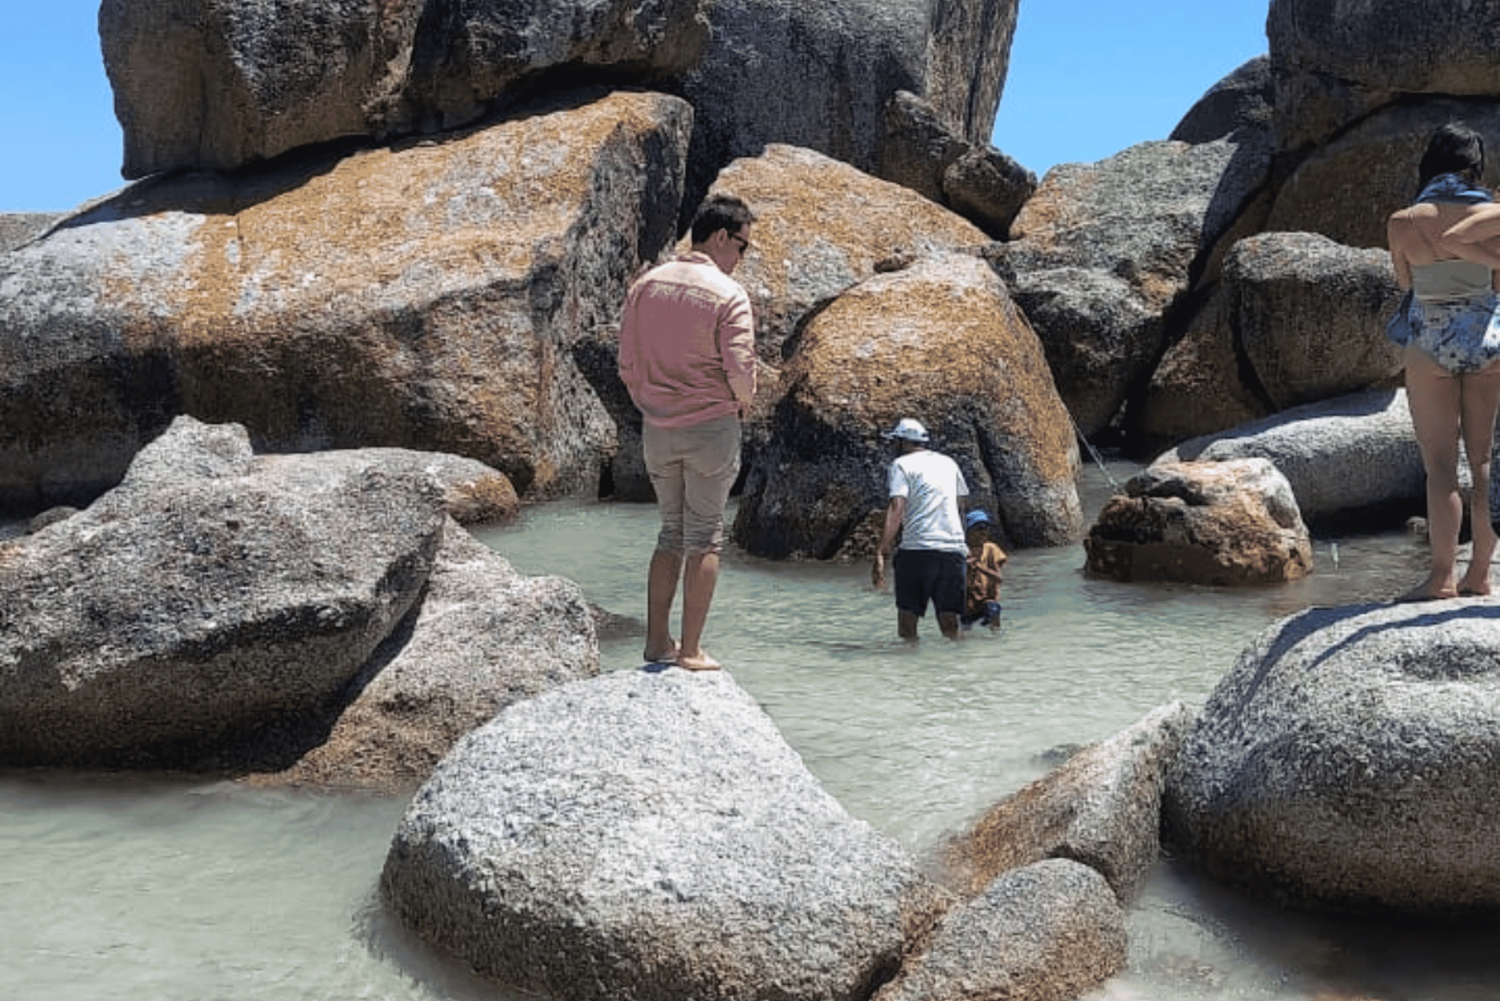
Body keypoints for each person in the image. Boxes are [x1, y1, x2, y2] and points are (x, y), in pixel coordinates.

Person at [618, 194, 757, 669]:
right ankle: (692, 650)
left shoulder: (645, 286)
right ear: (721, 237)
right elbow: (740, 370)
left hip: (657, 428)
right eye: (742, 247)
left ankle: (657, 643)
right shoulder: (727, 294)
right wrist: (743, 401)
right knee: (705, 537)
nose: (741, 259)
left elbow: (628, 363)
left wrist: (651, 403)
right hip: (711, 426)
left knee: (669, 534)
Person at [1387, 122, 1500, 600]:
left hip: (1429, 342)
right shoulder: (1492, 215)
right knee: (1484, 463)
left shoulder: (1403, 222)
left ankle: (1441, 578)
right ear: (1476, 166)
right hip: (1489, 342)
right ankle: (1480, 574)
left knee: (1439, 467)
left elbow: (1404, 284)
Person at [871, 417, 969, 639]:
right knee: (951, 626)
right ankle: (959, 672)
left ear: (903, 443)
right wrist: (963, 545)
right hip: (953, 552)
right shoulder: (949, 463)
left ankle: (910, 672)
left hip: (917, 552)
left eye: (894, 442)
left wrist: (881, 551)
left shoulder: (900, 465)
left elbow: (897, 507)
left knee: (907, 627)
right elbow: (960, 505)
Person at [961, 509, 1007, 630]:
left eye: (985, 528)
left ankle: (996, 640)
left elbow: (998, 578)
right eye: (978, 529)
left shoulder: (991, 549)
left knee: (993, 610)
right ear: (968, 531)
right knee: (963, 629)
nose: (983, 532)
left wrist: (978, 567)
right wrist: (965, 567)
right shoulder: (961, 551)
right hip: (966, 604)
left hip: (987, 601)